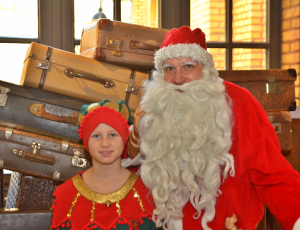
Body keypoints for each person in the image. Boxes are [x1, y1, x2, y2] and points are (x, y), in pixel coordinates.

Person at [127, 26, 300, 230]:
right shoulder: (155, 105)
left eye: (188, 66)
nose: (178, 78)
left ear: (205, 68)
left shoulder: (239, 102)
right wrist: (136, 135)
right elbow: (130, 172)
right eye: (170, 69)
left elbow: (272, 174)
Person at [51, 100, 161, 230]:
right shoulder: (65, 194)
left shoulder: (148, 194)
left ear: (124, 139)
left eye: (112, 135)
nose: (105, 143)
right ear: (86, 143)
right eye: (96, 136)